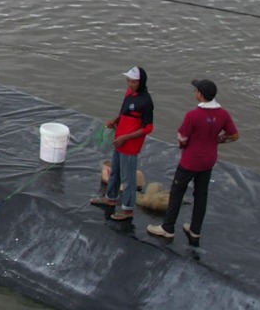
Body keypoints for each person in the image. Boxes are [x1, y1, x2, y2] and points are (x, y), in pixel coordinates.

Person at [148, 79, 239, 244]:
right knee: (201, 194)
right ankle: (195, 229)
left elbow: (182, 138)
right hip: (209, 160)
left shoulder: (193, 115)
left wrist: (183, 144)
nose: (194, 93)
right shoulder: (223, 114)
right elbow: (234, 136)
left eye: (195, 90)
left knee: (177, 192)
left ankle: (168, 228)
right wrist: (217, 140)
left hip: (190, 161)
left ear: (200, 95)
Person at [92, 67, 154, 222]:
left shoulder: (145, 101)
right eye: (128, 81)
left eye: (133, 81)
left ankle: (127, 209)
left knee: (128, 179)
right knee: (115, 173)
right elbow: (124, 113)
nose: (130, 84)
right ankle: (110, 198)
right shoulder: (129, 94)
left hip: (129, 145)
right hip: (119, 141)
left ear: (141, 82)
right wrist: (115, 121)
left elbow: (148, 128)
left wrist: (126, 137)